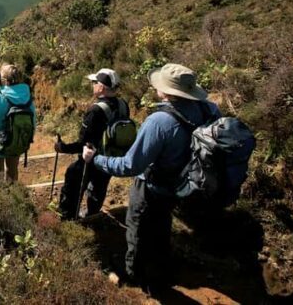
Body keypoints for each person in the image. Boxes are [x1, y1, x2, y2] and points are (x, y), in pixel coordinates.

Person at [83, 63, 220, 292]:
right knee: (161, 222)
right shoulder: (209, 110)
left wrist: (95, 159)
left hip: (154, 185)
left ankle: (134, 276)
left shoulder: (159, 122)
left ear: (166, 91)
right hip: (187, 181)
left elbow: (130, 165)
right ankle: (161, 265)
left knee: (137, 226)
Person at [54, 68, 129, 220]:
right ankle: (92, 214)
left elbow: (83, 143)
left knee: (73, 179)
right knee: (99, 187)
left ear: (101, 87)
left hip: (91, 159)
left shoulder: (96, 110)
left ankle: (68, 218)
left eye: (94, 82)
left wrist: (63, 148)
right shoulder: (123, 105)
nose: (92, 85)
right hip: (110, 157)